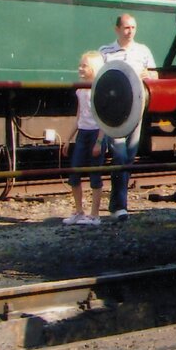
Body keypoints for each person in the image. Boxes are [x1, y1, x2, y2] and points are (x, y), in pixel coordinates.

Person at [99, 14, 157, 222]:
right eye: (126, 27)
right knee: (121, 157)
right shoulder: (104, 52)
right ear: (117, 29)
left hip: (136, 110)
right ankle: (119, 206)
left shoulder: (143, 52)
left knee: (129, 158)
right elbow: (98, 82)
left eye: (133, 27)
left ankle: (116, 203)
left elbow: (156, 78)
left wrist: (148, 77)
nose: (130, 31)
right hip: (113, 113)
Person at [65, 52, 106, 226]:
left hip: (96, 133)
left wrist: (99, 141)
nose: (80, 68)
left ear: (94, 69)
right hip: (82, 132)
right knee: (74, 171)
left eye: (84, 66)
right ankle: (79, 211)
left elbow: (104, 118)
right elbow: (79, 115)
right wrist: (68, 138)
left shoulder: (99, 89)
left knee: (95, 174)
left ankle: (95, 214)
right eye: (80, 65)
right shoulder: (80, 89)